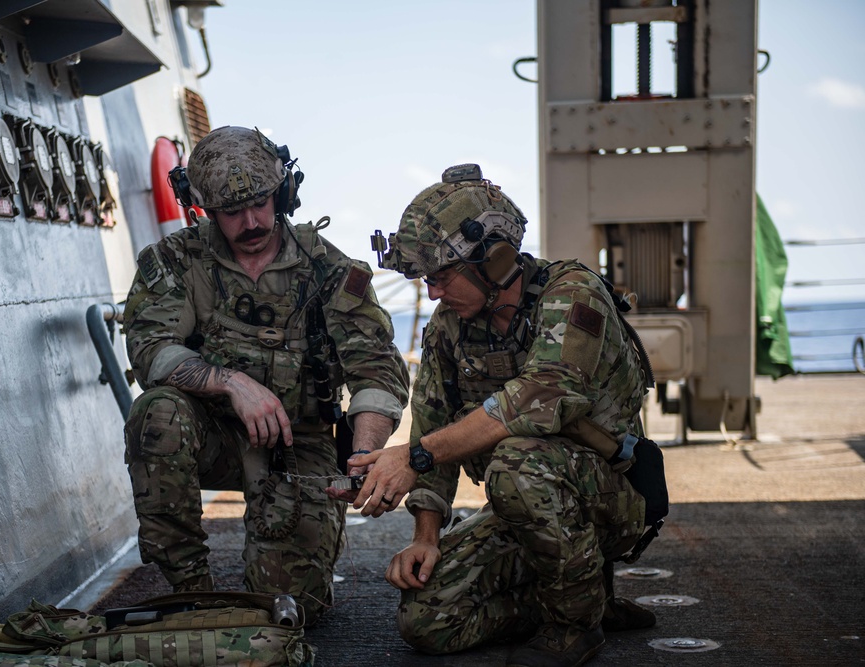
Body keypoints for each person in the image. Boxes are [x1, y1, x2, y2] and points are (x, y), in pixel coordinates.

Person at [352, 164, 659, 665]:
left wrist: (416, 455)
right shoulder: (449, 329)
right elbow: (433, 432)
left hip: (612, 500)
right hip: (529, 505)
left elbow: (542, 394)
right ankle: (586, 600)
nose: (432, 294)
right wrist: (426, 538)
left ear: (494, 261)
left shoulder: (572, 295)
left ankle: (575, 627)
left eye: (441, 277)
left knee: (517, 460)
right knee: (426, 621)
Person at [121, 125, 409, 624]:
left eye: (261, 202)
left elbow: (377, 372)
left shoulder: (331, 270)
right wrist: (231, 383)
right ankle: (191, 597)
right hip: (212, 436)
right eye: (231, 211)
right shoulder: (173, 261)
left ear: (284, 193)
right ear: (204, 209)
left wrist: (363, 454)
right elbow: (150, 350)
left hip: (301, 444)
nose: (251, 221)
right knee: (156, 414)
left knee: (292, 608)